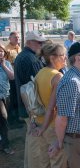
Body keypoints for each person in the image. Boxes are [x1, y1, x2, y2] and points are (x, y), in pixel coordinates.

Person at [14, 30, 46, 168]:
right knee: (36, 142)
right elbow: (39, 85)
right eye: (39, 42)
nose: (41, 44)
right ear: (29, 42)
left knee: (31, 139)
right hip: (32, 107)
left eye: (42, 42)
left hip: (27, 105)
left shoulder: (23, 56)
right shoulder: (31, 59)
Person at [33, 43, 67, 168]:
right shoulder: (57, 76)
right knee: (57, 161)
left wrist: (41, 127)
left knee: (44, 162)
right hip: (53, 125)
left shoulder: (40, 73)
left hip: (41, 123)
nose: (65, 58)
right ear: (52, 58)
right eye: (62, 55)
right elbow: (53, 107)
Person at [5, 31, 23, 127]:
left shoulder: (19, 48)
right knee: (12, 99)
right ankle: (12, 120)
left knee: (17, 98)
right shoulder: (6, 50)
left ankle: (17, 117)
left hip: (18, 77)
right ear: (9, 38)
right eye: (15, 37)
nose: (17, 38)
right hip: (11, 78)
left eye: (18, 37)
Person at [0, 44, 14, 154]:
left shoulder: (7, 63)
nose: (0, 53)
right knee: (4, 119)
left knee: (4, 119)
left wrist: (4, 66)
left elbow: (12, 77)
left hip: (6, 95)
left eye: (2, 51)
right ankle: (6, 145)